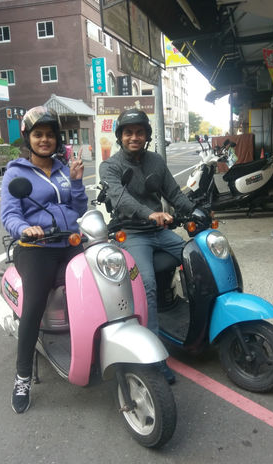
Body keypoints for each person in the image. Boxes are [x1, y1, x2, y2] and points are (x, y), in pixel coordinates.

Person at [99, 108, 198, 385]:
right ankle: (154, 357)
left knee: (197, 258)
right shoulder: (110, 166)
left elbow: (174, 193)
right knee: (148, 284)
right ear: (120, 137)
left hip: (159, 231)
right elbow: (120, 199)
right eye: (128, 133)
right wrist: (150, 213)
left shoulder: (155, 161)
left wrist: (196, 211)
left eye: (139, 132)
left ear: (147, 136)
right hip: (133, 233)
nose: (134, 137)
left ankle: (200, 321)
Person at [0, 106, 87, 414]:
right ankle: (22, 376)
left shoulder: (64, 170)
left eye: (50, 135)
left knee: (96, 284)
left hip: (69, 241)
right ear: (29, 138)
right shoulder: (16, 173)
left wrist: (76, 182)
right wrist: (25, 229)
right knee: (34, 303)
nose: (45, 140)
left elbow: (79, 209)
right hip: (35, 247)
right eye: (38, 134)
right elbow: (9, 214)